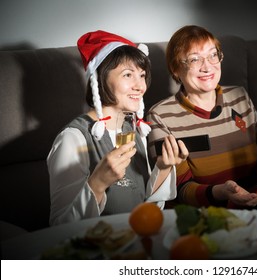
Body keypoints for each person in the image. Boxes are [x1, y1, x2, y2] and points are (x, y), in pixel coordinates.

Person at [146, 25, 257, 216]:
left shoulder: (239, 96)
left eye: (213, 55)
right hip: (205, 214)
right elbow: (181, 191)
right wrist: (223, 192)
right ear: (175, 68)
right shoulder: (160, 116)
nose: (207, 66)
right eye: (194, 59)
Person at [47, 30, 188, 226]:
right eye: (128, 74)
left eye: (142, 75)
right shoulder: (72, 139)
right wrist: (98, 184)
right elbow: (59, 229)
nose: (140, 86)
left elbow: (147, 209)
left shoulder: (134, 131)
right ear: (101, 78)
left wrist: (163, 169)